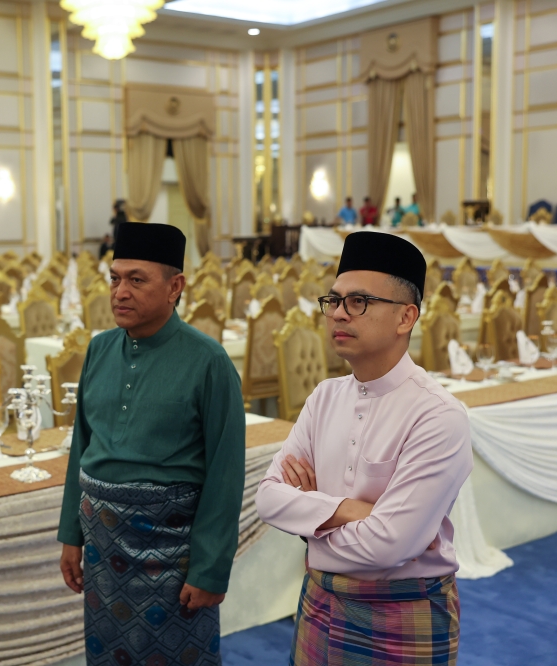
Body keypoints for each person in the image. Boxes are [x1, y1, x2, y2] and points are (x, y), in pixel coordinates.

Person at [255, 231, 472, 666]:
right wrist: (353, 510)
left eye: (358, 302)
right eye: (333, 301)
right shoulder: (324, 397)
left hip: (402, 612)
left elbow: (390, 545)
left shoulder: (438, 415)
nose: (338, 314)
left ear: (405, 317)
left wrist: (309, 518)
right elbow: (267, 499)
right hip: (321, 600)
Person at [58, 222, 246, 666]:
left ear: (174, 286)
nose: (120, 292)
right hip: (104, 549)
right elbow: (80, 446)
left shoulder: (209, 362)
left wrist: (210, 570)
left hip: (172, 553)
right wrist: (71, 533)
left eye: (136, 280)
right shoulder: (100, 350)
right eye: (115, 279)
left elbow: (225, 475)